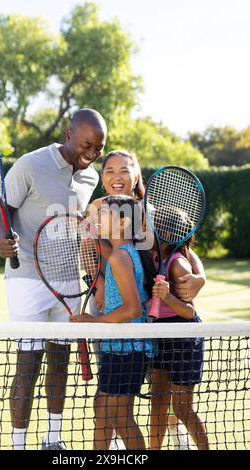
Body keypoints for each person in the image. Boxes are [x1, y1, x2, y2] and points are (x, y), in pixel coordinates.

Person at [0, 108, 107, 450]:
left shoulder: (90, 177)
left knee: (60, 362)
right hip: (26, 276)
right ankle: (18, 445)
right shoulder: (31, 164)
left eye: (99, 148)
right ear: (69, 134)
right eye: (87, 144)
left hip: (68, 281)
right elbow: (2, 211)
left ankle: (53, 440)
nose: (93, 153)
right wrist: (3, 239)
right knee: (28, 365)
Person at [87, 150, 206, 449]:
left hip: (147, 320)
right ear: (103, 177)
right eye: (109, 170)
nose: (117, 177)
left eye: (125, 170)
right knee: (107, 404)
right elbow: (87, 248)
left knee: (153, 396)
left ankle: (168, 441)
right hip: (116, 316)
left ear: (137, 175)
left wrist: (198, 277)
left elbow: (184, 249)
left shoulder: (149, 213)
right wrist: (97, 283)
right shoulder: (96, 209)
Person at [71, 195, 156, 450]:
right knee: (105, 410)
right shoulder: (122, 251)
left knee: (120, 417)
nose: (98, 218)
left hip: (127, 349)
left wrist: (92, 322)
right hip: (118, 348)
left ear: (122, 223)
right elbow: (101, 248)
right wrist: (90, 230)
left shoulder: (120, 257)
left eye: (104, 214)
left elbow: (131, 310)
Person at [148, 208, 209, 451]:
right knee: (158, 402)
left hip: (184, 335)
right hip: (159, 333)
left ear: (166, 234)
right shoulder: (151, 254)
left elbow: (189, 312)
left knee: (182, 407)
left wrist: (167, 298)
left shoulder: (178, 265)